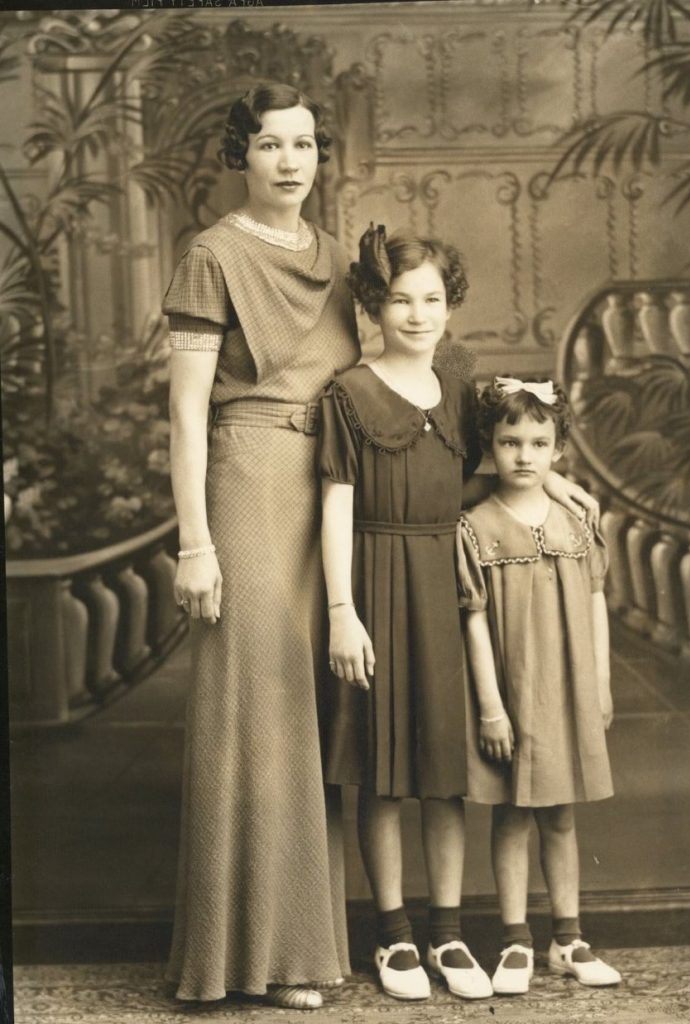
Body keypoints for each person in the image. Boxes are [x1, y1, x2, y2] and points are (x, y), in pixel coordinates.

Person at [317, 226, 600, 1002]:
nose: (417, 314)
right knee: (379, 769)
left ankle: (446, 931)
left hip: (444, 575)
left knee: (444, 769)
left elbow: (500, 460)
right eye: (400, 299)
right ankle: (394, 934)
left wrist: (559, 484)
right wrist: (343, 610)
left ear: (452, 303)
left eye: (432, 299)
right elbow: (336, 505)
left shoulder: (459, 372)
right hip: (375, 574)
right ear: (373, 304)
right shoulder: (349, 391)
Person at [163, 83, 359, 1009]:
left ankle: (305, 946)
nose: (293, 161)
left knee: (315, 713)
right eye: (273, 145)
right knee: (259, 709)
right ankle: (250, 957)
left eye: (307, 144)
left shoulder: (339, 256)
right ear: (240, 155)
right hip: (248, 479)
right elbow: (187, 411)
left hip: (333, 485)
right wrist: (194, 543)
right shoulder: (212, 253)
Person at [456, 376, 622, 996]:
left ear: (558, 451)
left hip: (568, 685)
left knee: (560, 815)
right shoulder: (475, 527)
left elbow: (598, 601)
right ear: (489, 448)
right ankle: (515, 939)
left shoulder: (577, 522)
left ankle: (568, 938)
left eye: (537, 442)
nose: (524, 455)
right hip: (513, 689)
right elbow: (473, 620)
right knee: (511, 815)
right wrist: (492, 708)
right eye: (509, 442)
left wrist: (600, 682)